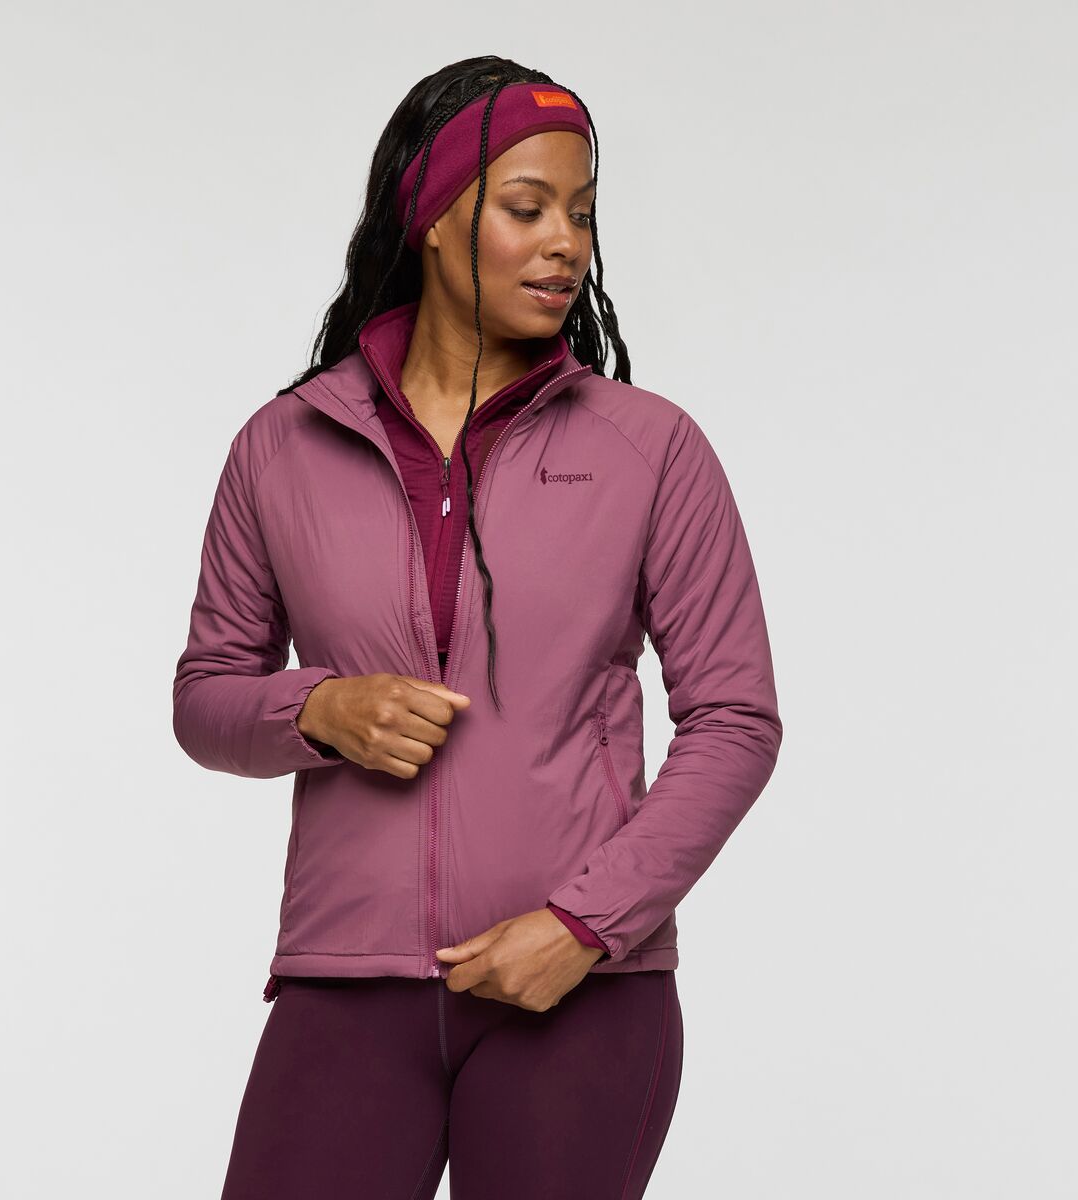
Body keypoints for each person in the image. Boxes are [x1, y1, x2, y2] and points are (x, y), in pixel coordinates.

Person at [172, 55, 782, 1200]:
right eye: (527, 209)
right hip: (347, 980)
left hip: (580, 988)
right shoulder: (284, 446)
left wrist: (586, 924)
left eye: (582, 214)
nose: (566, 246)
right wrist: (318, 708)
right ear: (434, 219)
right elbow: (207, 696)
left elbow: (735, 720)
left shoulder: (650, 448)